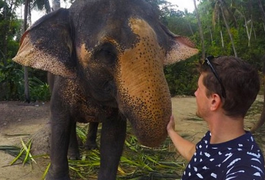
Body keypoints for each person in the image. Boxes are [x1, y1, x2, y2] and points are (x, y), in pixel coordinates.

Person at [167, 56, 265, 180]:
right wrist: (171, 131)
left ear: (214, 101)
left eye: (199, 88)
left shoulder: (245, 167)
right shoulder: (213, 139)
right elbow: (194, 153)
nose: (195, 93)